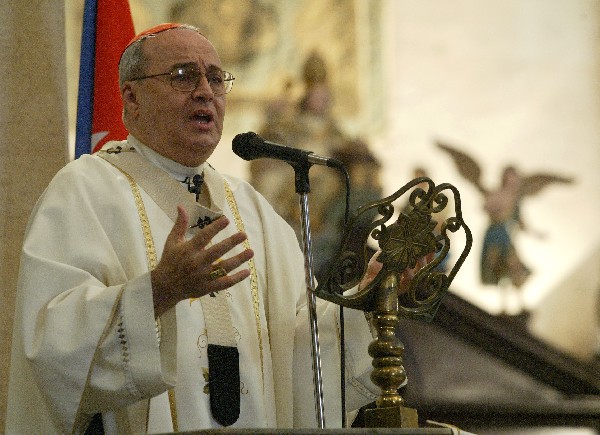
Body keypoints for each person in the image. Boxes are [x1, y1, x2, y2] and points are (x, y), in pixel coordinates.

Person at [5, 23, 389, 434]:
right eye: (183, 76)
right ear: (131, 97)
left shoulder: (257, 213)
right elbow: (50, 347)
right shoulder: (84, 192)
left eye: (216, 78)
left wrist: (368, 300)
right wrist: (157, 291)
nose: (205, 91)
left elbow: (295, 355)